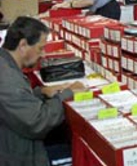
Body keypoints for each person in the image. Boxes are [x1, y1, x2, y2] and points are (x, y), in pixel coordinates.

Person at [0, 16, 85, 165]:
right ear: (23, 45)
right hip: (16, 155)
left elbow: (15, 104)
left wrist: (40, 93)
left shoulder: (5, 64)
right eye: (40, 48)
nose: (43, 54)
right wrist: (67, 94)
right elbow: (38, 122)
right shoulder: (7, 78)